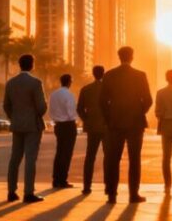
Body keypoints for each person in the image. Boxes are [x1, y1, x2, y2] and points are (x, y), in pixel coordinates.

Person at [100, 46, 153, 204]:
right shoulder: (140, 75)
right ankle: (133, 194)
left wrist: (110, 117)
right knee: (134, 159)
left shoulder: (109, 75)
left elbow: (102, 101)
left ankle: (111, 194)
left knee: (112, 159)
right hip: (135, 123)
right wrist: (139, 111)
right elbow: (148, 100)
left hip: (115, 123)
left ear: (119, 57)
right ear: (132, 57)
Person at [5, 54, 47, 204]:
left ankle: (11, 191)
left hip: (17, 124)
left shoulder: (10, 83)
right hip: (32, 125)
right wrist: (35, 115)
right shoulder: (36, 83)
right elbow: (42, 107)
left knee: (15, 158)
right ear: (32, 65)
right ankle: (28, 193)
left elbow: (6, 106)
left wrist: (14, 117)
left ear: (19, 64)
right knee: (30, 159)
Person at [76, 65, 106, 195]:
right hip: (106, 127)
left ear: (93, 74)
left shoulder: (86, 89)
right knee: (108, 157)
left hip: (92, 127)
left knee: (90, 157)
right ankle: (108, 185)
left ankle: (87, 186)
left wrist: (86, 119)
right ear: (103, 74)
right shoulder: (108, 89)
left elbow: (79, 109)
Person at [50, 74, 78, 189]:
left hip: (58, 125)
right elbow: (71, 112)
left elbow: (50, 110)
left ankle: (56, 179)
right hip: (68, 125)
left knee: (59, 152)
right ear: (69, 82)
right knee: (67, 154)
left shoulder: (53, 94)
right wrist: (76, 121)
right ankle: (63, 180)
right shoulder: (69, 95)